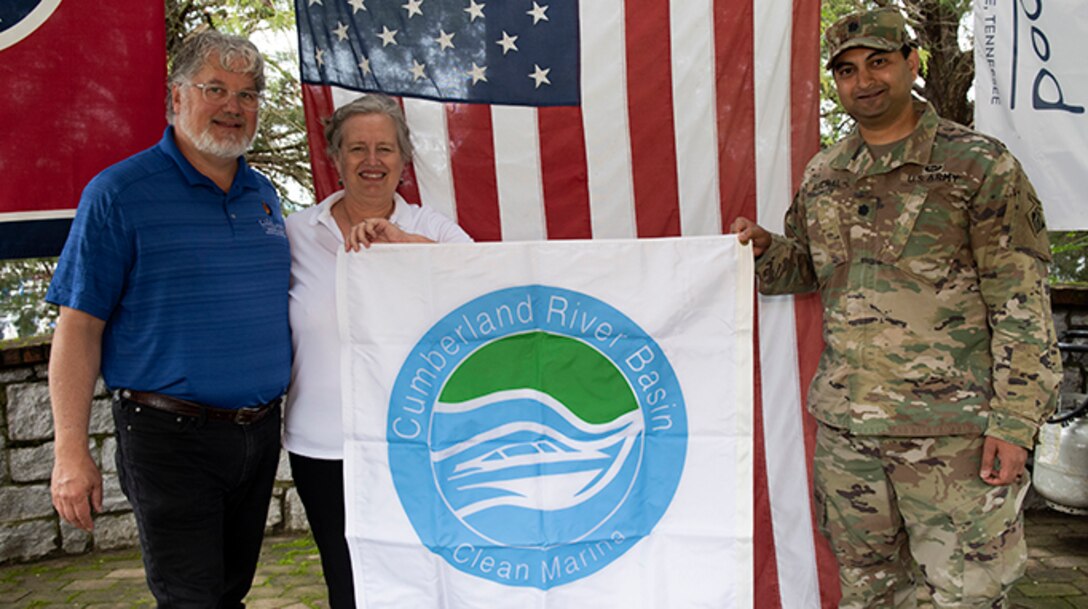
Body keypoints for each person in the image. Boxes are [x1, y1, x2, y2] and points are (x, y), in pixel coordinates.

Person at [732, 8, 1061, 608]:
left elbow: (1020, 303)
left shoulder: (979, 166)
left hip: (953, 436)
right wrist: (761, 252)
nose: (864, 81)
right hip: (849, 435)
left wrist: (1015, 424)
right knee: (869, 592)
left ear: (912, 62)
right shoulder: (826, 174)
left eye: (878, 61)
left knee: (967, 594)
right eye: (848, 70)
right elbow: (808, 268)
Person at [46, 30, 290, 607]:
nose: (234, 106)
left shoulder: (266, 196)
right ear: (176, 97)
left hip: (258, 434)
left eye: (249, 93)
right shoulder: (118, 194)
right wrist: (69, 452)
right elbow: (78, 328)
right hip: (168, 438)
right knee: (192, 598)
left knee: (228, 592)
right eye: (216, 88)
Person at [284, 93, 472, 607]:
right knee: (348, 584)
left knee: (424, 582)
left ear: (404, 160)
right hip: (323, 448)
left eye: (385, 149)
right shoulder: (295, 233)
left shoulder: (433, 230)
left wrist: (403, 246)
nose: (372, 162)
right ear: (334, 157)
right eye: (357, 149)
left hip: (415, 446)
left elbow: (482, 285)